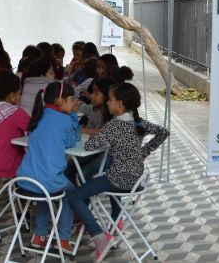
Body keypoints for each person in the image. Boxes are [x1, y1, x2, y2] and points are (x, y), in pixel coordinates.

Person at [69, 82, 169, 262]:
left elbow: (90, 146)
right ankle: (115, 223)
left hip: (118, 180)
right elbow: (163, 132)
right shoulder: (138, 122)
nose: (108, 102)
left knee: (75, 196)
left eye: (110, 99)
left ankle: (99, 236)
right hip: (136, 180)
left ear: (120, 103)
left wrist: (105, 139)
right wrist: (143, 152)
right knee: (103, 183)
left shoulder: (114, 126)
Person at [16, 81, 79, 253]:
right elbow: (72, 141)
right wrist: (73, 115)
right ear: (60, 101)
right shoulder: (65, 119)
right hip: (48, 181)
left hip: (25, 179)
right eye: (71, 100)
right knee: (71, 193)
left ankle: (40, 235)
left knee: (45, 194)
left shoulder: (38, 115)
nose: (73, 103)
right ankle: (63, 239)